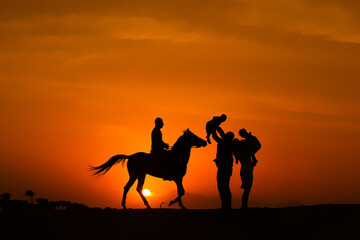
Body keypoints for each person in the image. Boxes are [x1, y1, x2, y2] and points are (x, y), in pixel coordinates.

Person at [212, 127, 235, 210]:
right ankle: (225, 205)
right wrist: (215, 128)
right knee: (223, 186)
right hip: (224, 167)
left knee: (223, 186)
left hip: (224, 167)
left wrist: (216, 126)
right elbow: (215, 136)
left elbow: (217, 136)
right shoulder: (225, 142)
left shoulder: (227, 143)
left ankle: (227, 205)